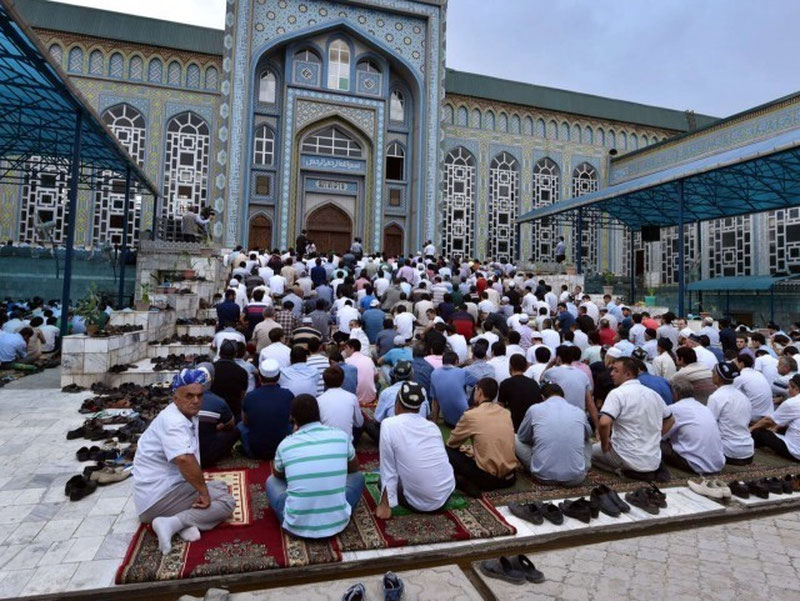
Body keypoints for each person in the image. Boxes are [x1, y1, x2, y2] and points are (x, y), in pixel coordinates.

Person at [133, 369, 236, 555]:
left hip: (164, 491)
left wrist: (202, 489)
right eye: (189, 395)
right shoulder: (174, 422)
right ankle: (171, 522)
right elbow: (183, 459)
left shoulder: (183, 414)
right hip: (158, 499)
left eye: (199, 395)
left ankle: (181, 522)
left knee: (219, 486)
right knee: (227, 502)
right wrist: (203, 492)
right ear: (175, 398)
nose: (195, 401)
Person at [267, 394, 365, 538]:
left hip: (295, 526)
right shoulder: (340, 436)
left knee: (271, 481)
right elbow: (354, 468)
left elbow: (278, 474)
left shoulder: (286, 444)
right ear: (319, 414)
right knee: (358, 477)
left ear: (293, 418)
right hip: (338, 523)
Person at [375, 382, 455, 518]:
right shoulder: (432, 426)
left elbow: (388, 470)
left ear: (397, 403)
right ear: (419, 407)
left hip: (418, 503)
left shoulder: (389, 424)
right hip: (446, 496)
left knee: (381, 481)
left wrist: (385, 505)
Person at [593, 358, 673, 480]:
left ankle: (622, 470)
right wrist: (654, 437)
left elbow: (604, 423)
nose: (611, 374)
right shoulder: (653, 394)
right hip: (653, 460)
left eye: (616, 371)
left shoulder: (617, 394)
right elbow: (670, 420)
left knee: (587, 452)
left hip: (626, 457)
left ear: (628, 375)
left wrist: (604, 443)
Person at [446, 378, 518, 497]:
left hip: (488, 479)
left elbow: (452, 443)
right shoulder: (505, 412)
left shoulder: (471, 415)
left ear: (479, 392)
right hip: (510, 477)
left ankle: (462, 482)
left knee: (446, 451)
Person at [515, 382, 593, 486]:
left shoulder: (534, 409)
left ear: (542, 397)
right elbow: (588, 435)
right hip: (576, 478)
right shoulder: (579, 411)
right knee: (588, 441)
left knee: (514, 438)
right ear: (563, 397)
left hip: (542, 476)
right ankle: (583, 466)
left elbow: (522, 437)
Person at [661, 379, 725, 475]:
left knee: (655, 443)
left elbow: (662, 434)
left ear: (675, 395)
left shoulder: (674, 409)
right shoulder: (704, 408)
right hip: (718, 463)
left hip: (696, 464)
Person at [238, 359, 294, 460]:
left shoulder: (250, 396)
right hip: (283, 449)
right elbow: (290, 418)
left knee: (240, 426)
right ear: (278, 377)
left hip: (256, 451)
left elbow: (245, 422)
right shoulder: (287, 395)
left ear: (259, 377)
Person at [364, 361, 428, 441]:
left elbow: (378, 420)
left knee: (367, 422)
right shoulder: (422, 390)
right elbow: (426, 414)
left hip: (397, 437)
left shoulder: (388, 393)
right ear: (411, 375)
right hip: (419, 436)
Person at [707, 362, 754, 465]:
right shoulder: (743, 396)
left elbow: (709, 425)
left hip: (728, 451)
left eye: (713, 372)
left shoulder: (716, 397)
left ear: (718, 377)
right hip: (748, 452)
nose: (711, 373)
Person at [541, 345, 598, 427]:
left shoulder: (551, 372)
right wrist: (597, 427)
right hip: (580, 421)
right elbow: (590, 404)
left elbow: (541, 379)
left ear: (558, 358)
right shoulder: (583, 375)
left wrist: (550, 364)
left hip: (558, 419)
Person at [196, 363, 239, 468]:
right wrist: (218, 427)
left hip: (188, 454)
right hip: (207, 456)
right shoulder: (218, 402)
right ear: (212, 380)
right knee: (236, 431)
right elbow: (231, 424)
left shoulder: (184, 401)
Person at [751, 374, 800, 462]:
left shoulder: (792, 403)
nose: (787, 391)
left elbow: (768, 421)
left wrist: (751, 428)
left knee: (760, 432)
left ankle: (744, 450)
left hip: (796, 451)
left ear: (796, 388)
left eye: (789, 388)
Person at [317, 366, 363, 442]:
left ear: (325, 382)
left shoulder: (318, 400)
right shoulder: (352, 397)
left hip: (325, 443)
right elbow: (359, 423)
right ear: (343, 381)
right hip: (346, 444)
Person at [431, 352, 478, 427]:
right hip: (466, 420)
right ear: (456, 361)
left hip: (448, 421)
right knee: (478, 388)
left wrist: (434, 421)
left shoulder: (434, 373)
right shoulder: (462, 372)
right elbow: (478, 383)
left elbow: (435, 401)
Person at [498, 353, 542, 431]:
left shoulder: (505, 383)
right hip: (534, 425)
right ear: (525, 368)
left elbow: (500, 407)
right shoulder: (533, 383)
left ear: (510, 366)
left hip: (516, 426)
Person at [210, 340, 248, 420]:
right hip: (233, 413)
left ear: (219, 353)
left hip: (213, 411)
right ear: (236, 354)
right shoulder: (242, 372)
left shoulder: (211, 369)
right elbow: (242, 396)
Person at [733, 353, 774, 422]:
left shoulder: (740, 376)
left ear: (741, 364)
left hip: (754, 415)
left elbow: (732, 395)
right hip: (768, 412)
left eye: (736, 363)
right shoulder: (759, 374)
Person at [343, 339, 377, 406]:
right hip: (371, 397)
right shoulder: (368, 359)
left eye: (346, 348)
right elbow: (376, 377)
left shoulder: (347, 361)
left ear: (352, 348)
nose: (345, 351)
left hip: (355, 398)